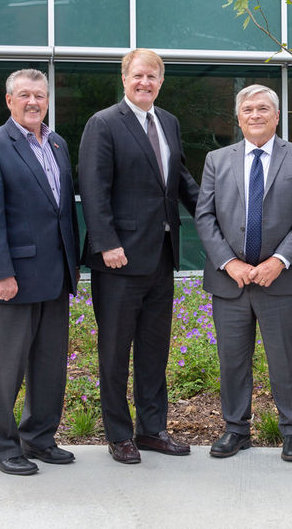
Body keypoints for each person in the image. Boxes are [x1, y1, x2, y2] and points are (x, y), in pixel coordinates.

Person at [79, 49, 199, 464]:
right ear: (125, 78)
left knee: (154, 348)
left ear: (161, 81)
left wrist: (218, 215)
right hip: (119, 260)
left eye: (152, 76)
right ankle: (118, 434)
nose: (145, 82)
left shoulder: (168, 122)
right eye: (137, 75)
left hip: (161, 257)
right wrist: (106, 243)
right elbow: (93, 188)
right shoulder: (104, 123)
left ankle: (152, 429)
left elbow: (180, 180)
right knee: (114, 351)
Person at [195, 84, 292, 462]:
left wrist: (279, 261)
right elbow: (204, 215)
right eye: (248, 109)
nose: (255, 115)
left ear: (277, 116)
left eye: (263, 108)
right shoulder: (217, 160)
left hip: (278, 280)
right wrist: (229, 262)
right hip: (229, 281)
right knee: (232, 360)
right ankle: (236, 430)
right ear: (238, 117)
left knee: (285, 359)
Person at [0, 69, 81, 476]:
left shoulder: (57, 144)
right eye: (26, 95)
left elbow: (63, 210)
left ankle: (39, 437)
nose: (34, 102)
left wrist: (73, 264)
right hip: (13, 278)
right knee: (6, 367)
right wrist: (0, 272)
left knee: (50, 365)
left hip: (55, 275)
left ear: (48, 101)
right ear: (9, 100)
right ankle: (1, 447)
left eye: (40, 96)